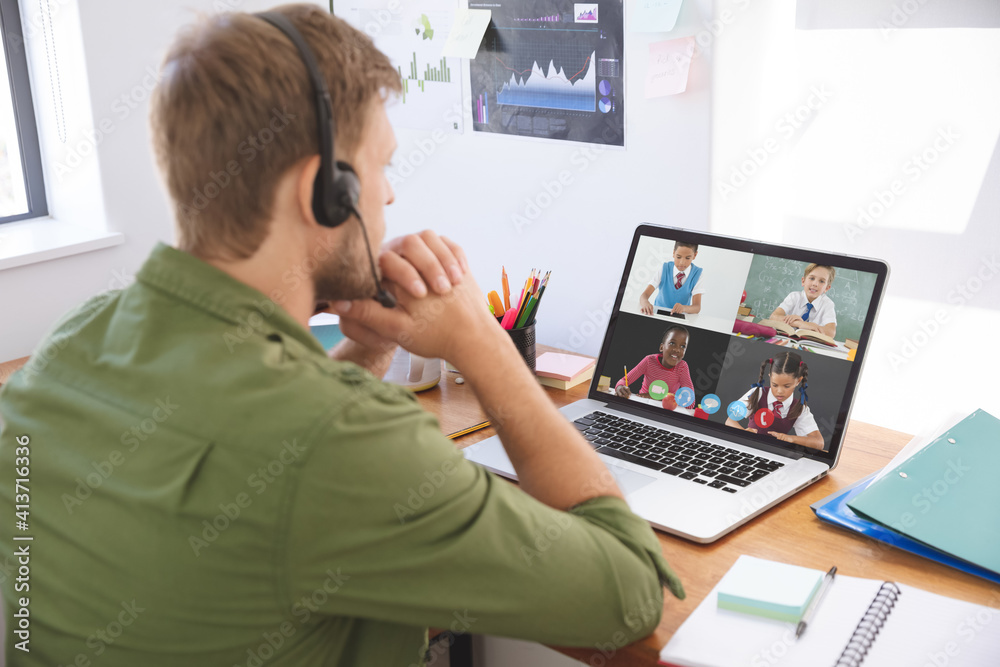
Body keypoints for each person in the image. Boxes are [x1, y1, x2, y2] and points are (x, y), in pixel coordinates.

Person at [0, 6, 684, 665]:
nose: (388, 196)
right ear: (325, 193)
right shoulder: (341, 443)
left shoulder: (68, 348)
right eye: (382, 166)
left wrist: (375, 346)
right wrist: (482, 340)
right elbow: (629, 591)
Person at [724, 352, 825, 450]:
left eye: (787, 386)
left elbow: (819, 443)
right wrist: (743, 432)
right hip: (748, 447)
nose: (779, 391)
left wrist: (791, 438)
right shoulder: (758, 393)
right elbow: (730, 421)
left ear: (798, 381)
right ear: (770, 377)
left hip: (774, 453)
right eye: (775, 385)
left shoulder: (799, 408)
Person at [615, 325, 694, 399]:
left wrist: (654, 396)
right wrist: (620, 387)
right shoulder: (649, 361)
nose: (677, 350)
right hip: (643, 403)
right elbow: (624, 380)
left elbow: (690, 401)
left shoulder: (682, 367)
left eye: (683, 346)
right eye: (672, 343)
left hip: (664, 410)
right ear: (661, 347)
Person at [769, 263, 837, 339]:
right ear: (803, 281)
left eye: (821, 281)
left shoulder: (827, 304)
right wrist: (800, 324)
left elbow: (831, 332)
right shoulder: (794, 297)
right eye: (812, 278)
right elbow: (774, 317)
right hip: (786, 339)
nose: (815, 284)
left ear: (827, 288)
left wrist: (802, 324)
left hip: (811, 344)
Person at [639, 241, 703, 316]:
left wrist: (684, 308)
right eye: (678, 257)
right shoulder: (665, 268)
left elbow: (697, 307)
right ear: (673, 253)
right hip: (658, 313)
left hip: (680, 315)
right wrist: (645, 303)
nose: (682, 262)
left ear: (695, 255)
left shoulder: (697, 274)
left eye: (687, 258)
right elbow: (644, 295)